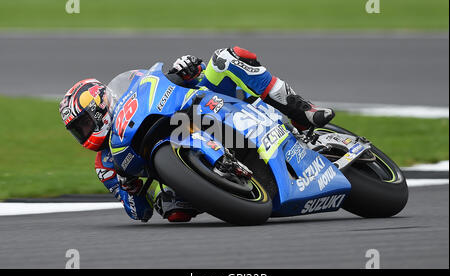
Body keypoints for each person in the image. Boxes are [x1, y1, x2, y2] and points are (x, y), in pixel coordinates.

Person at [58, 46, 335, 223]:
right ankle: (228, 189)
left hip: (204, 108)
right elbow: (138, 213)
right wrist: (130, 188)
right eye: (77, 131)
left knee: (227, 58)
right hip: (187, 178)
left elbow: (173, 82)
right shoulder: (105, 164)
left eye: (83, 124)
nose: (82, 134)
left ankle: (302, 111)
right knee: (173, 211)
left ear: (99, 108)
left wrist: (188, 70)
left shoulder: (135, 88)